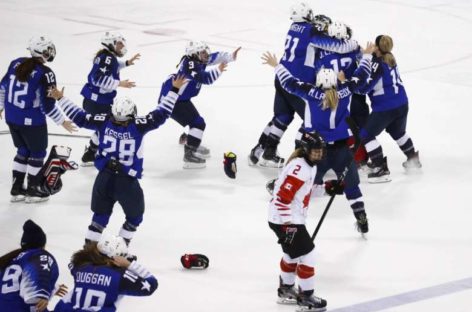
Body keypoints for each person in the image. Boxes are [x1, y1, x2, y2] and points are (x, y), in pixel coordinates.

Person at [48, 75, 186, 246]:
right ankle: (119, 249)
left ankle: (88, 252)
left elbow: (80, 117)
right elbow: (163, 112)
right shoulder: (139, 125)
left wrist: (61, 98)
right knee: (135, 217)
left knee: (99, 218)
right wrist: (174, 90)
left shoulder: (104, 121)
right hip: (126, 180)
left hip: (103, 178)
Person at [262, 43, 374, 235]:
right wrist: (367, 56)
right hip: (342, 151)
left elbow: (289, 83)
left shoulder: (312, 94)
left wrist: (277, 65)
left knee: (304, 183)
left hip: (316, 151)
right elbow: (361, 77)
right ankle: (361, 218)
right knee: (352, 188)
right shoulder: (344, 92)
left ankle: (285, 197)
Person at [249, 2, 360, 168]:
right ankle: (302, 158)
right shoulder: (311, 32)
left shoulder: (293, 26)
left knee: (282, 116)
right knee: (311, 120)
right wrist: (356, 45)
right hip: (296, 81)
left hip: (281, 75)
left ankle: (261, 149)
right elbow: (337, 46)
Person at [0, 36, 76, 203]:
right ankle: (34, 190)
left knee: (22, 151)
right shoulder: (46, 73)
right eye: (48, 50)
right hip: (32, 122)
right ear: (42, 52)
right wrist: (62, 121)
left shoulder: (16, 63)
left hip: (12, 118)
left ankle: (16, 189)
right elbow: (46, 106)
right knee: (37, 153)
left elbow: (2, 87)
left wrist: (0, 107)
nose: (51, 52)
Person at [268, 131, 327, 311]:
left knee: (292, 254)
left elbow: (305, 191)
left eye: (320, 151)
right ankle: (306, 298)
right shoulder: (300, 168)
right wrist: (288, 226)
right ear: (306, 149)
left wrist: (329, 188)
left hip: (284, 218)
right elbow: (282, 199)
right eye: (315, 151)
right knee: (309, 255)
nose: (319, 154)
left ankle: (286, 290)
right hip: (285, 219)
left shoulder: (309, 165)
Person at [159, 41, 241, 169]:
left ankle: (189, 140)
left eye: (205, 52)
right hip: (172, 100)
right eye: (202, 53)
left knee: (196, 122)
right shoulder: (190, 64)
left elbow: (215, 56)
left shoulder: (196, 60)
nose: (206, 55)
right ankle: (189, 155)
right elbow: (206, 78)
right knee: (198, 123)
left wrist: (231, 56)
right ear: (194, 54)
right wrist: (219, 70)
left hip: (180, 98)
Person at [357, 35, 421, 183]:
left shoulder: (376, 64)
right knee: (398, 132)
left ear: (378, 48)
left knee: (366, 135)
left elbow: (364, 89)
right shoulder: (390, 57)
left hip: (385, 108)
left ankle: (380, 168)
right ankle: (412, 159)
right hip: (402, 103)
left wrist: (348, 85)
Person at [80, 31, 140, 166]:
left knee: (104, 126)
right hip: (98, 102)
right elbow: (96, 79)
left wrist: (127, 63)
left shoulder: (106, 56)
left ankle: (91, 153)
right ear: (110, 43)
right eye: (119, 44)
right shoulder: (107, 57)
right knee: (105, 127)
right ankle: (90, 154)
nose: (121, 47)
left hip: (95, 100)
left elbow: (112, 67)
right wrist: (119, 83)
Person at [54, 234, 157, 311]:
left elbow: (73, 265)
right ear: (116, 258)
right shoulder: (119, 276)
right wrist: (130, 265)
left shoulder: (80, 266)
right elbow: (151, 285)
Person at [0, 219, 65, 311]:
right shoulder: (38, 255)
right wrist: (43, 292)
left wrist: (52, 288)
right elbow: (34, 295)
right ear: (42, 244)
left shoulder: (10, 261)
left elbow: (15, 287)